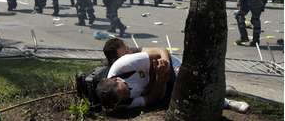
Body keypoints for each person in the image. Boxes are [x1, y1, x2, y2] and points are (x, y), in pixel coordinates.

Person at [97, 38, 249, 113]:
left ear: (117, 79)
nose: (128, 93)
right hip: (159, 80)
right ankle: (220, 92)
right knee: (183, 91)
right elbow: (152, 98)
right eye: (124, 95)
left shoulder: (124, 64)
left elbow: (160, 51)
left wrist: (164, 63)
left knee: (189, 81)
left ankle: (226, 101)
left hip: (166, 63)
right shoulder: (123, 102)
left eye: (124, 90)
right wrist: (159, 80)